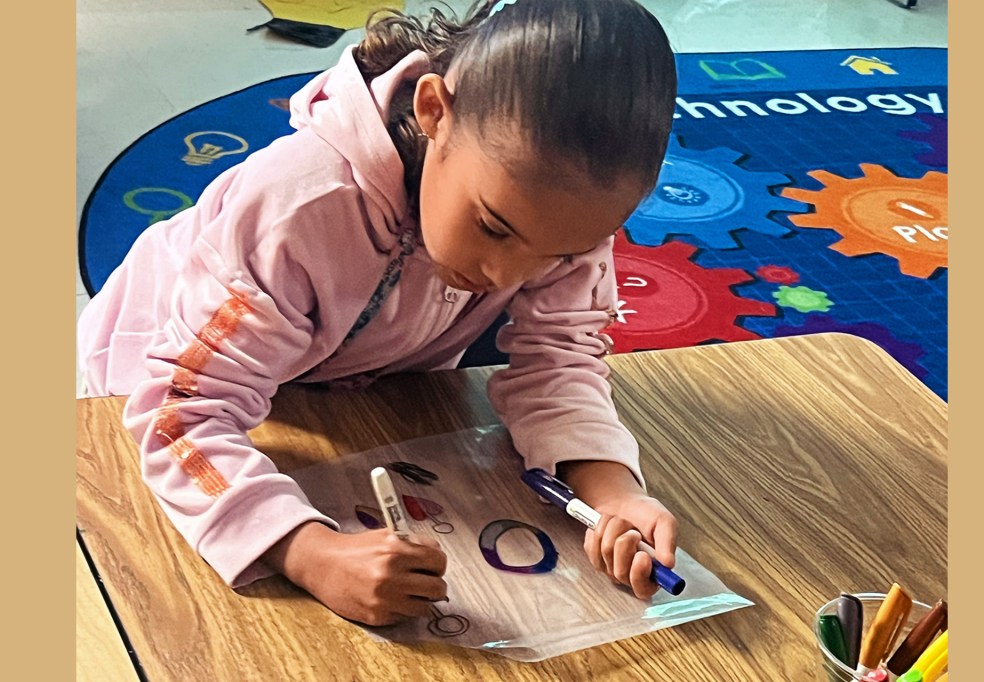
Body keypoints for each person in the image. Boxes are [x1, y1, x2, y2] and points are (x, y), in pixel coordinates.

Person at [77, 0, 680, 628]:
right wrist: (306, 552)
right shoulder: (298, 208)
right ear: (433, 111)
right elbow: (179, 411)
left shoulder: (558, 214)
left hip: (347, 377)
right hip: (150, 369)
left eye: (560, 254)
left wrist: (612, 490)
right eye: (493, 228)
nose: (509, 277)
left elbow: (561, 358)